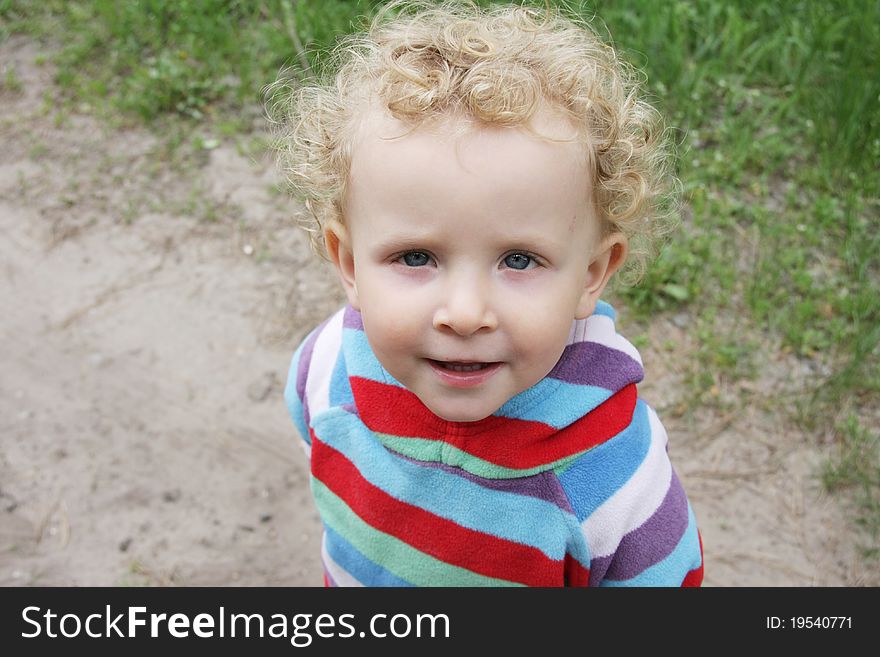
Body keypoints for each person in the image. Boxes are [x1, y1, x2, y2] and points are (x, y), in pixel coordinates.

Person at [274, 0, 703, 586]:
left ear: (592, 273)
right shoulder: (327, 372)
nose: (466, 314)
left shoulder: (613, 478)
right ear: (349, 263)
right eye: (416, 257)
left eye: (519, 260)